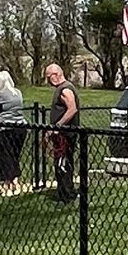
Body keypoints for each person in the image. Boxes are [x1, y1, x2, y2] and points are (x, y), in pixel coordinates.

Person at [44, 60, 79, 202]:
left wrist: (57, 126)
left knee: (62, 165)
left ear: (55, 75)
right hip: (62, 135)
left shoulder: (65, 89)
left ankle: (66, 195)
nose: (48, 81)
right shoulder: (63, 88)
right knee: (64, 163)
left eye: (48, 77)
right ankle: (66, 192)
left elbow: (72, 109)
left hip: (64, 135)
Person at [0, 67, 27, 188]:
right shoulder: (17, 92)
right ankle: (16, 180)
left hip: (6, 128)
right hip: (21, 127)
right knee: (15, 154)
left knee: (6, 155)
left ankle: (8, 182)